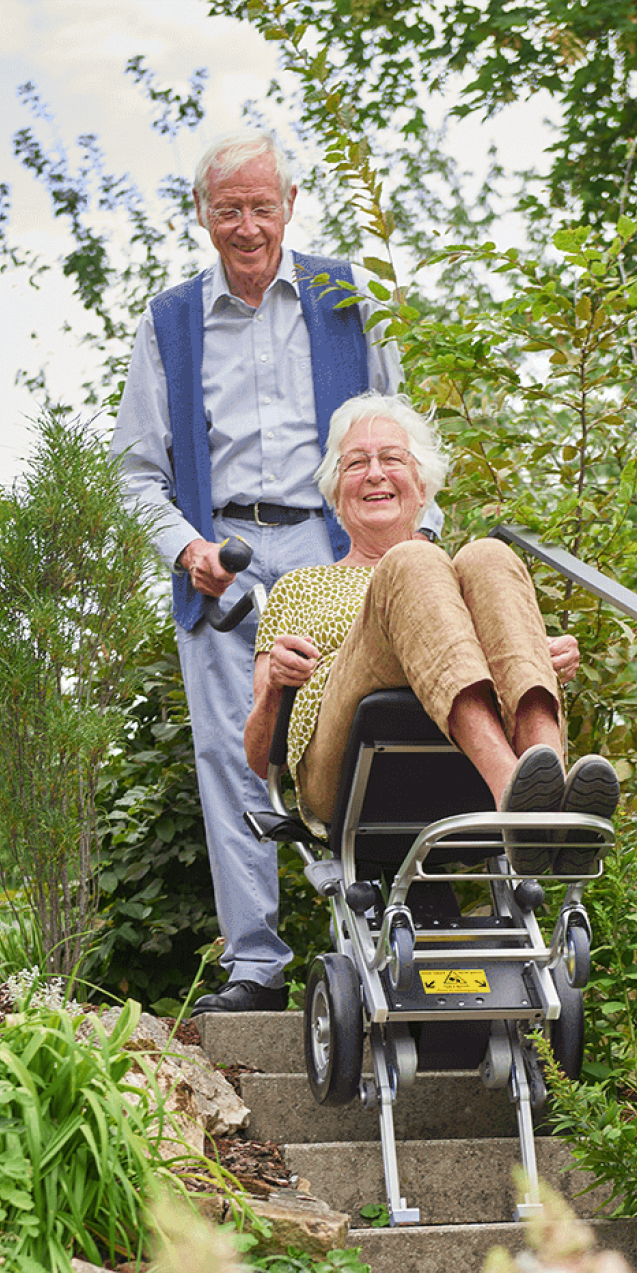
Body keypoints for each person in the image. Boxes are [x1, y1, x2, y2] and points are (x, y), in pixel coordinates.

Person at [111, 129, 435, 1016]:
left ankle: (392, 947)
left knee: (372, 735)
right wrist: (187, 549)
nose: (247, 227)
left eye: (262, 206)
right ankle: (253, 964)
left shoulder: (344, 294)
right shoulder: (168, 321)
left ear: (290, 205)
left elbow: (401, 432)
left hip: (340, 554)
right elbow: (137, 471)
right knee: (231, 755)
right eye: (229, 211)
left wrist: (416, 547)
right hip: (224, 564)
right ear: (202, 218)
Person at [245, 393, 619, 873]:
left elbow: (492, 644)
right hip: (342, 766)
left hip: (459, 766)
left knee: (489, 555)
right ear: (336, 495)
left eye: (392, 459)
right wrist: (278, 684)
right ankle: (516, 800)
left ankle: (551, 794)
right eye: (356, 463)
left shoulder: (454, 581)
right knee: (414, 559)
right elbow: (261, 761)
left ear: (423, 487)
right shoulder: (300, 586)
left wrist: (531, 655)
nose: (375, 473)